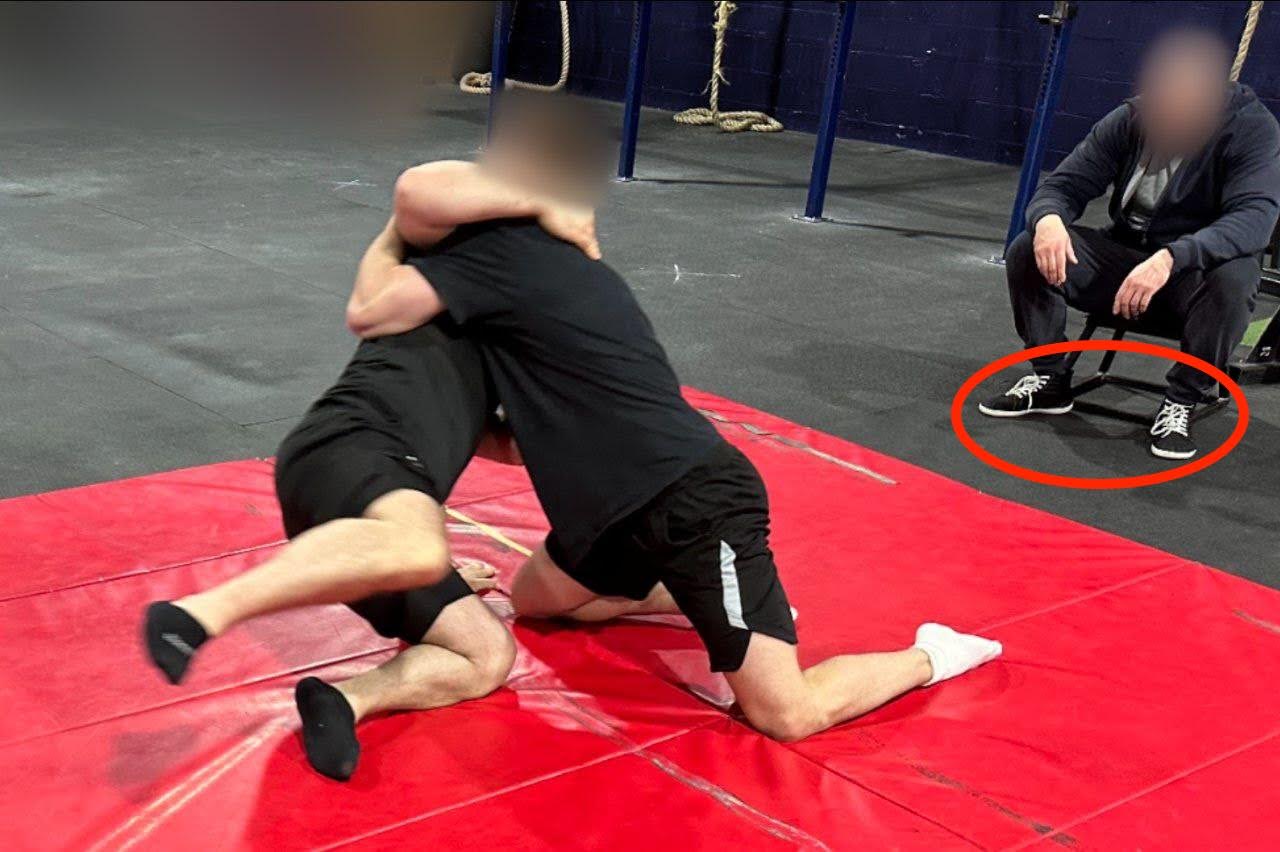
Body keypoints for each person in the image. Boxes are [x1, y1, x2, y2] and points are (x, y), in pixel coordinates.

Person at [371, 93, 1003, 745]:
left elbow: (391, 257)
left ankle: (934, 652)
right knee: (533, 601)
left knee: (787, 715)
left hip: (691, 504)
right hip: (609, 516)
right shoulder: (513, 292)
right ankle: (695, 598)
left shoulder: (538, 266)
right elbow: (525, 444)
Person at [141, 179, 600, 780]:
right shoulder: (430, 283)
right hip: (349, 449)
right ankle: (198, 613)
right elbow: (415, 196)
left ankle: (345, 700)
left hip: (365, 491)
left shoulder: (510, 338)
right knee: (419, 543)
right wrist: (543, 202)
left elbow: (500, 440)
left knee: (486, 655)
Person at [981, 28, 1280, 459]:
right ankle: (1050, 378)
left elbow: (1254, 220)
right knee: (1029, 247)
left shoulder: (1253, 129)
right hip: (1124, 266)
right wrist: (1048, 219)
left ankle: (1182, 399)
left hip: (1189, 281)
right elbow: (1063, 186)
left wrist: (1172, 257)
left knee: (1235, 275)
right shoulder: (1131, 119)